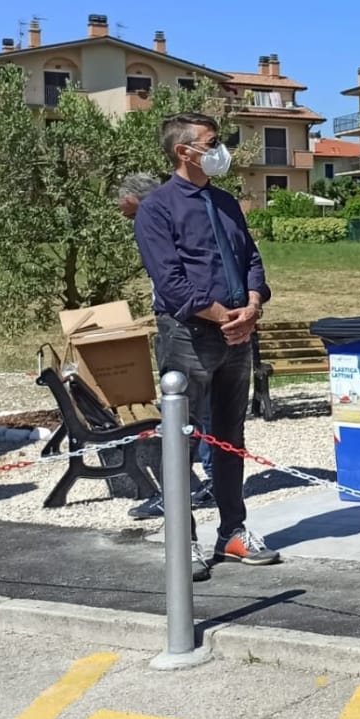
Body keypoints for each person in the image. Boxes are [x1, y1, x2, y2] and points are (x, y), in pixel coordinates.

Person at [133, 115, 279, 580]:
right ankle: (184, 541)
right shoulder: (157, 208)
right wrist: (223, 317)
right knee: (182, 438)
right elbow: (171, 283)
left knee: (230, 438)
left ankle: (233, 531)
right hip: (189, 337)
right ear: (185, 152)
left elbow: (251, 259)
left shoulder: (226, 202)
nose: (222, 151)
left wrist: (252, 306)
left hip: (239, 334)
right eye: (213, 143)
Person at [119, 173, 216, 521]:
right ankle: (202, 485)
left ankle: (181, 492)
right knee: (198, 413)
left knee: (185, 413)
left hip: (188, 326)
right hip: (186, 322)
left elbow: (176, 281)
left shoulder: (167, 218)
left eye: (131, 214)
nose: (129, 222)